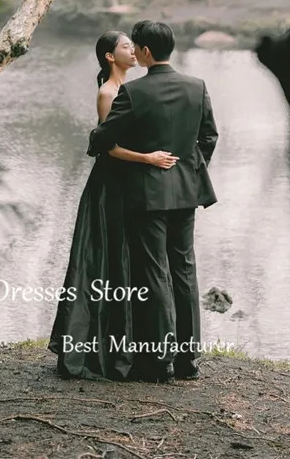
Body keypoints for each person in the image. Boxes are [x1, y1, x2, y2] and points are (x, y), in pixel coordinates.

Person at [88, 20, 218, 382]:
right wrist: (189, 170)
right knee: (184, 271)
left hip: (147, 194)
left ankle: (159, 361)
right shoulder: (197, 87)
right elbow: (209, 136)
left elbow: (104, 138)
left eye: (137, 47)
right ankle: (189, 361)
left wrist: (95, 137)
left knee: (155, 272)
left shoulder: (134, 93)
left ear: (145, 52)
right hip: (187, 192)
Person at [48, 30, 176, 380]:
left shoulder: (132, 91)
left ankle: (129, 349)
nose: (133, 51)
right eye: (125, 47)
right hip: (109, 186)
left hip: (128, 185)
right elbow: (110, 148)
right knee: (102, 261)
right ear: (109, 56)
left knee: (126, 263)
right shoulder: (108, 93)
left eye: (132, 47)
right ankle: (95, 352)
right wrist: (148, 158)